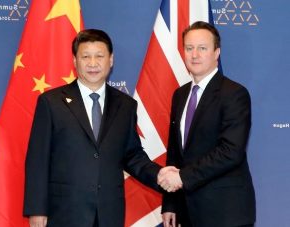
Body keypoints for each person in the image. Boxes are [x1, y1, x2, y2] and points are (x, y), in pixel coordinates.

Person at [23, 28, 176, 227]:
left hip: (108, 213)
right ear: (75, 60)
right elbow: (38, 159)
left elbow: (132, 155)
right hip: (64, 212)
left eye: (99, 56)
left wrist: (159, 174)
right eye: (85, 56)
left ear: (110, 60)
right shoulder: (51, 102)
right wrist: (37, 210)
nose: (92, 63)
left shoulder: (126, 105)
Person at [158, 21, 256, 227]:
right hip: (187, 212)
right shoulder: (180, 95)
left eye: (202, 48)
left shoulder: (234, 94)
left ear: (217, 52)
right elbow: (175, 153)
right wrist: (170, 203)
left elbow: (231, 151)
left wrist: (183, 177)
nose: (194, 55)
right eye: (189, 48)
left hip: (225, 212)